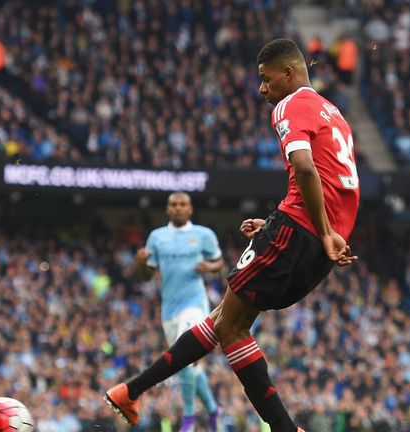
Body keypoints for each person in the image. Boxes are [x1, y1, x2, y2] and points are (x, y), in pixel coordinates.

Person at [104, 38, 360, 432]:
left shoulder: (289, 105)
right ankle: (131, 391)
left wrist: (310, 230)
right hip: (315, 241)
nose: (261, 90)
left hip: (308, 232)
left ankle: (284, 428)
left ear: (287, 74)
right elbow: (326, 180)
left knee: (230, 328)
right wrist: (283, 226)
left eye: (265, 79)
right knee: (223, 319)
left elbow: (306, 170)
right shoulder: (335, 113)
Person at [135, 192, 224, 432]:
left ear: (190, 209)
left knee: (185, 358)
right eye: (173, 205)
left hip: (195, 304)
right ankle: (214, 408)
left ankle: (189, 418)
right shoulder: (157, 237)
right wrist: (142, 263)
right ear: (167, 209)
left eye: (182, 205)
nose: (178, 208)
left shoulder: (203, 235)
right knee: (188, 365)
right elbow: (147, 275)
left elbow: (219, 264)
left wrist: (210, 267)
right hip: (169, 310)